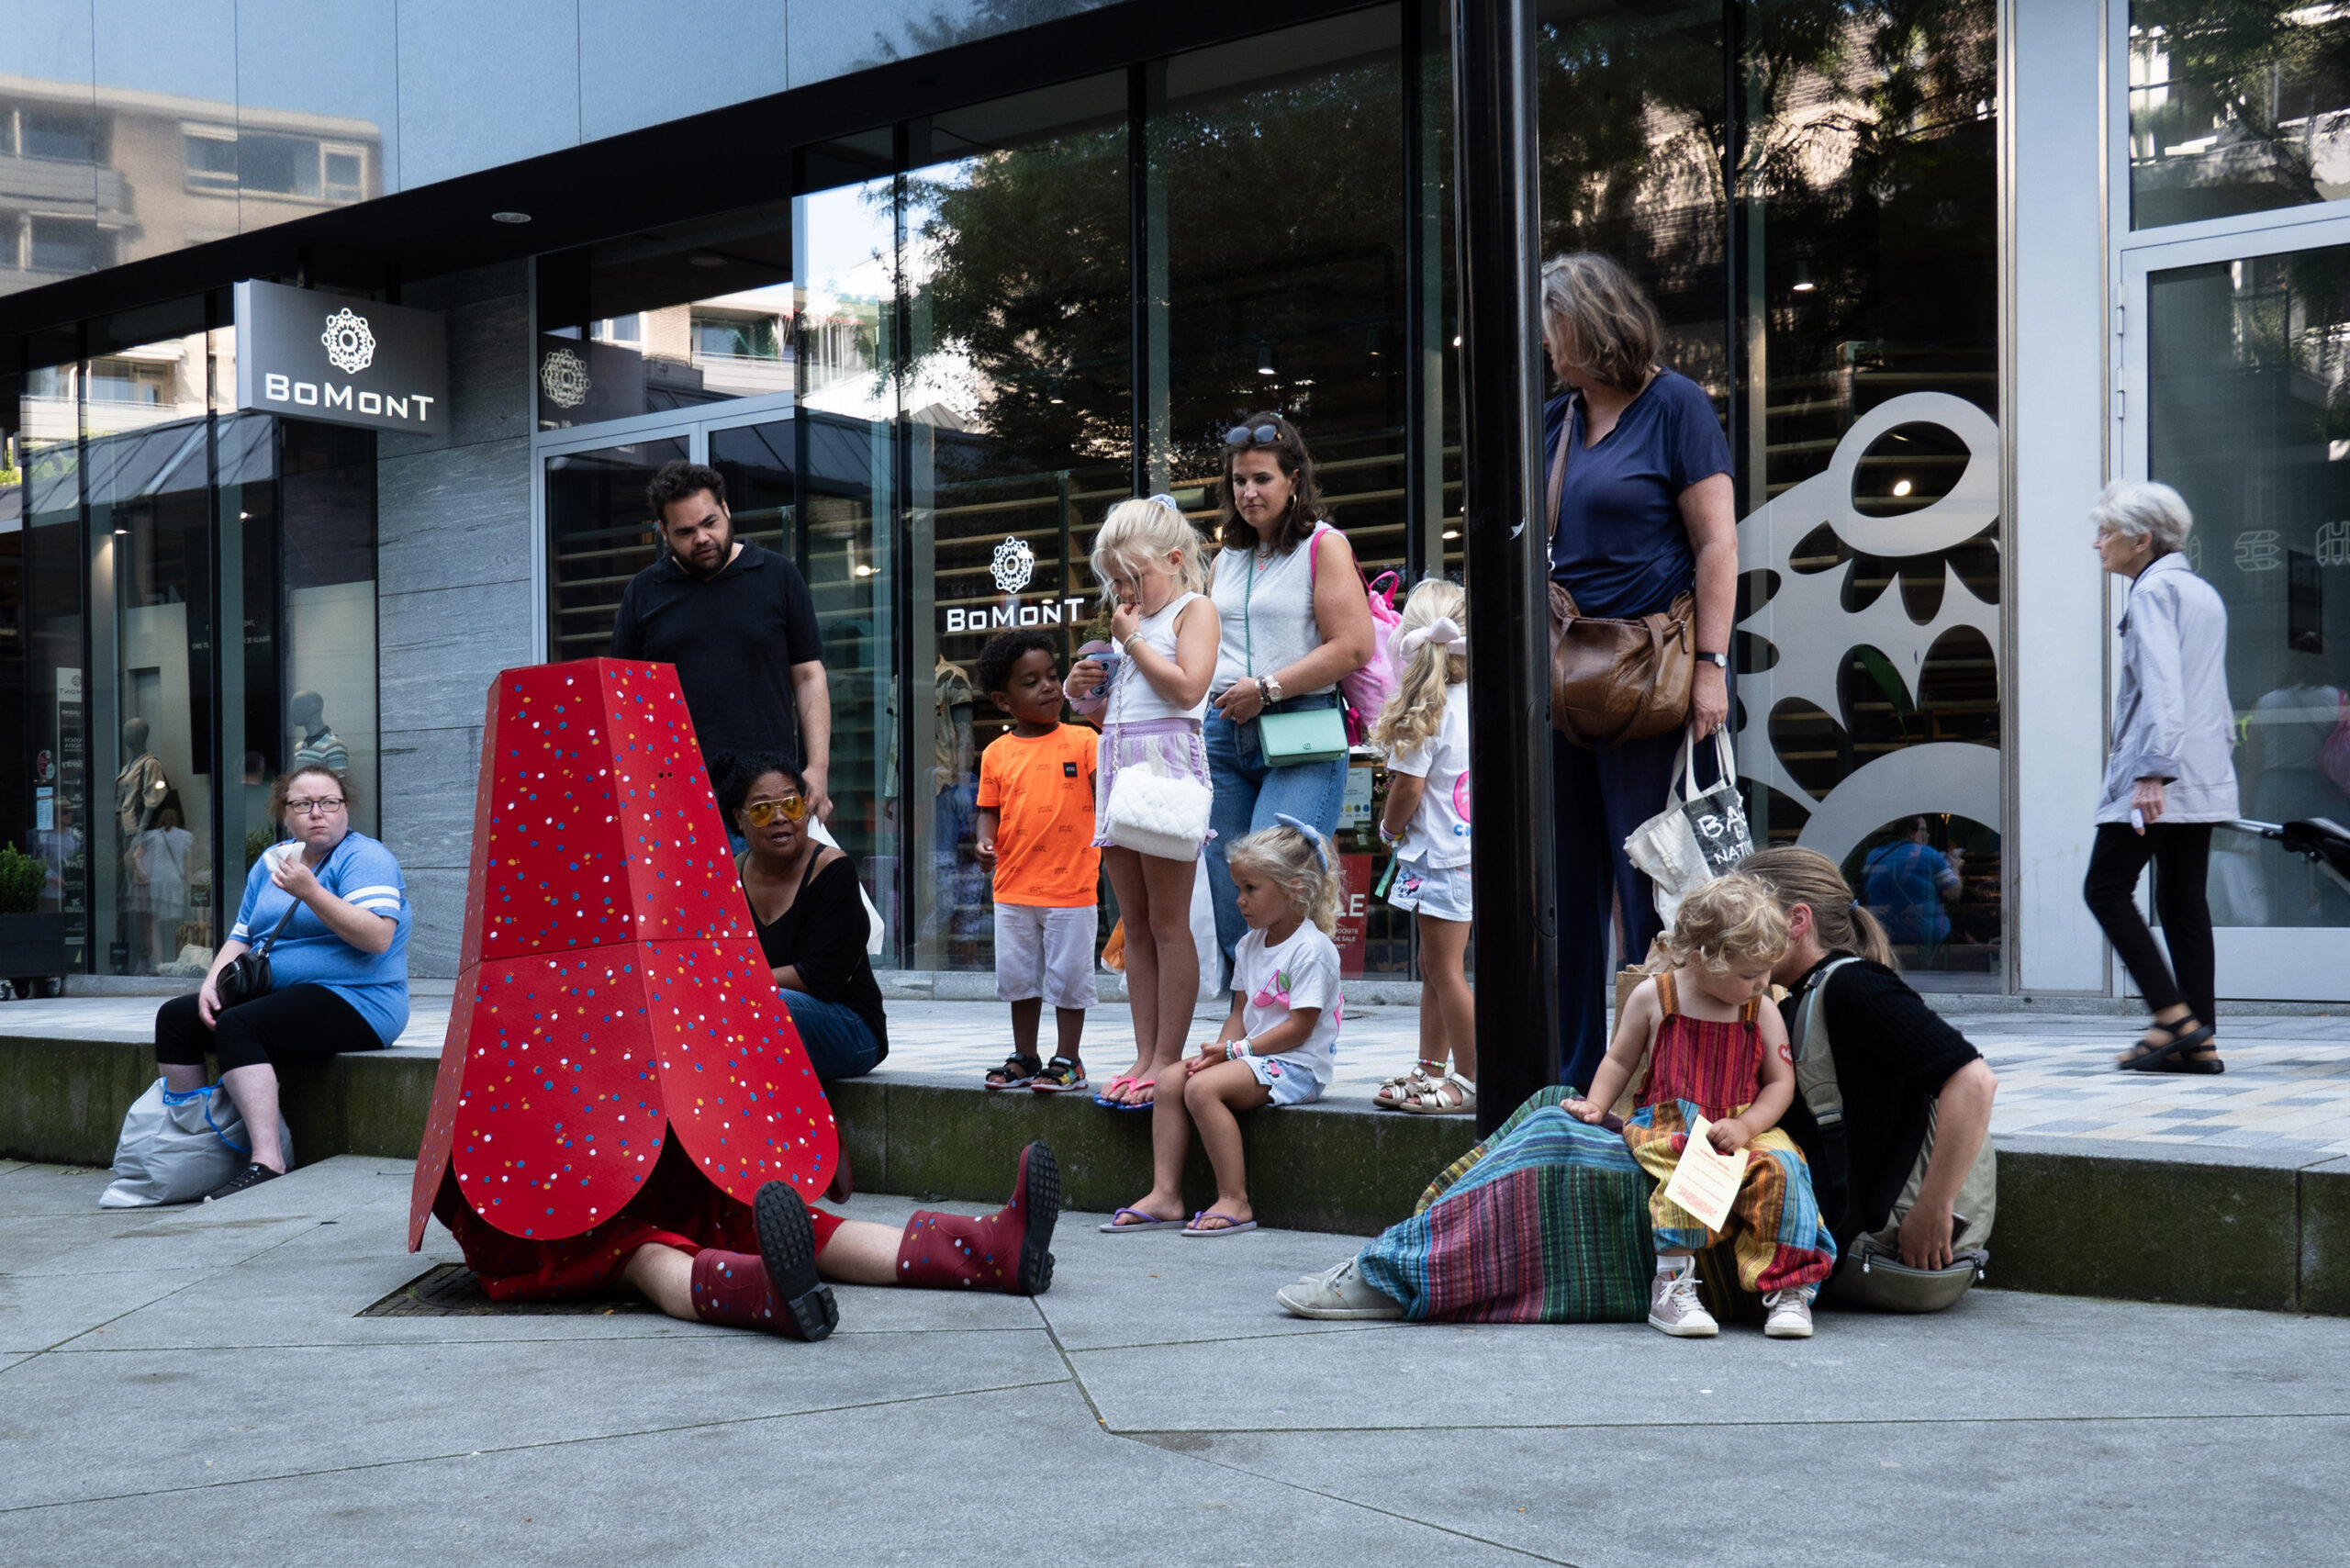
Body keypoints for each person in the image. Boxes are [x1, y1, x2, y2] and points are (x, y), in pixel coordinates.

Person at [1276, 847, 1996, 1326]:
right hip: (1716, 1158)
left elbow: (1973, 1079)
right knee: (1551, 1105)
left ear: (1795, 922)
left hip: (1756, 1199)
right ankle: (1407, 1247)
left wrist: (1930, 1212)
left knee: (1555, 1141)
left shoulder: (1853, 989)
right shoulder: (1762, 994)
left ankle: (1399, 1274)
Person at [1539, 253, 1740, 1092]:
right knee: (1570, 882)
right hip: (1567, 677)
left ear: (1593, 325)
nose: (1546, 347)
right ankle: (1580, 1070)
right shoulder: (1557, 418)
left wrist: (1711, 666)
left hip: (1650, 675)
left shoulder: (1677, 407)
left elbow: (1717, 544)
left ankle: (1665, 1066)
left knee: (1654, 878)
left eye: (1554, 330)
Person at [1562, 874, 1835, 1339]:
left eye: (1767, 972)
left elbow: (1780, 1083)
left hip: (1743, 1120)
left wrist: (1747, 1125)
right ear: (1699, 959)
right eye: (1750, 975)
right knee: (1691, 1164)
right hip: (1671, 1119)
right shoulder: (1656, 996)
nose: (1763, 983)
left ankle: (1790, 1288)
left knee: (1786, 1167)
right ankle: (1673, 1283)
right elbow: (1620, 1058)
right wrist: (1596, 1103)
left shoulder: (1761, 1008)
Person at [437, 1137, 1064, 1338]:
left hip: (652, 1150)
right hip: (535, 1194)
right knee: (641, 1253)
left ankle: (992, 1250)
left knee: (800, 1228)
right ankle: (757, 1291)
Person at [152, 767, 410, 1202]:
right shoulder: (273, 861)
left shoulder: (365, 858)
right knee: (176, 1018)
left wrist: (311, 891)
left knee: (242, 1025)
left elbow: (376, 936)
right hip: (286, 995)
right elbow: (241, 934)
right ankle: (197, 1139)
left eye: (330, 802)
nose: (317, 814)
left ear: (345, 808)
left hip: (361, 1000)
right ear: (284, 814)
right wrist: (212, 983)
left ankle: (268, 1160)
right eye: (302, 805)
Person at [1101, 819, 1341, 1236]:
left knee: (1201, 1088)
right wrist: (1217, 1051)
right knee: (1175, 1078)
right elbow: (1239, 1012)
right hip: (1255, 1058)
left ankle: (1235, 1198)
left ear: (1294, 889)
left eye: (1251, 889)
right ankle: (1166, 1194)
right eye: (1238, 889)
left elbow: (1300, 1029)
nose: (1240, 901)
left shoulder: (1312, 950)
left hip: (1298, 1067)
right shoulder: (1250, 944)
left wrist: (1234, 1055)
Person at [1200, 416, 1377, 979]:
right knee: (1231, 882)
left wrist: (1268, 687)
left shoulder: (1324, 546)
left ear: (1293, 480)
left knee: (1279, 876)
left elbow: (1353, 646)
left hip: (1300, 723)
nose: (1248, 492)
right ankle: (1244, 1017)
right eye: (1238, 481)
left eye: (1262, 479)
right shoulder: (1225, 560)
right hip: (1224, 728)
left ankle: (1297, 1019)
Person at [1063, 497, 1219, 1112]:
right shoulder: (1130, 624)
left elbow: (1186, 690)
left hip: (1168, 772)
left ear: (1174, 561)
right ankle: (1144, 1051)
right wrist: (1084, 695)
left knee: (1168, 922)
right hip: (1122, 773)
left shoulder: (1193, 609)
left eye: (1134, 577)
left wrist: (1131, 643)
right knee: (1136, 929)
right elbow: (1122, 711)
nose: (1124, 592)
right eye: (1116, 581)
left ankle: (1167, 1056)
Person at [2083, 480, 2239, 1074]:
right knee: (2182, 902)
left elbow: (2163, 691)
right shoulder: (2200, 592)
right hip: (2198, 774)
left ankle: (2173, 1018)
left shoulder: (2152, 594)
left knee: (2104, 889)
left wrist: (2150, 773)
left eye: (2106, 532)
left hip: (2161, 776)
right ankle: (2201, 1043)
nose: (2096, 543)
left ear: (2142, 539)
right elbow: (2213, 698)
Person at [610, 461, 832, 822]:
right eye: (685, 531)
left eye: (709, 523)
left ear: (726, 510)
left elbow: (808, 675)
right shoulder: (644, 593)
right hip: (675, 795)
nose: (701, 538)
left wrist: (818, 768)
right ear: (664, 532)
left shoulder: (778, 576)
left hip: (768, 794)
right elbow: (624, 699)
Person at [973, 627, 1100, 1094]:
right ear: (1003, 701)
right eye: (1032, 682)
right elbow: (988, 811)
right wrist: (984, 844)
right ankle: (1025, 1056)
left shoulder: (1085, 740)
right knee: (1019, 980)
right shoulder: (996, 753)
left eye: (1052, 675)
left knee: (1069, 980)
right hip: (1013, 887)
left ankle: (1069, 1059)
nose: (1049, 686)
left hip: (1072, 887)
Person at [1369, 579, 1476, 1115]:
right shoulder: (1472, 705)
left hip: (1437, 858)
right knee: (1435, 964)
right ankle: (1430, 1066)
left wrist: (1387, 832)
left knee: (1444, 968)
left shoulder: (1423, 714)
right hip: (1463, 858)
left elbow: (1406, 791)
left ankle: (1474, 1079)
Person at [728, 756, 887, 1081]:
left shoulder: (833, 869)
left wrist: (743, 982)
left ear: (805, 807)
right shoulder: (730, 876)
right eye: (761, 810)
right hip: (756, 1009)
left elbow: (823, 976)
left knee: (769, 1004)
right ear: (739, 820)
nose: (779, 817)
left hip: (851, 1029)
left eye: (791, 804)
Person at [1863, 816, 1964, 949]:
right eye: (1923, 830)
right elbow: (1953, 893)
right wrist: (1955, 866)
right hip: (1926, 934)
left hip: (1883, 932)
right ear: (1910, 833)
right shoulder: (1929, 854)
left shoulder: (1874, 854)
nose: (1927, 835)